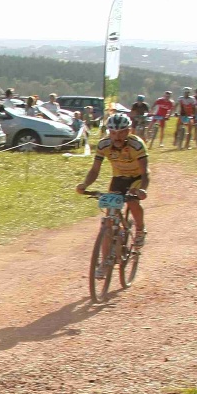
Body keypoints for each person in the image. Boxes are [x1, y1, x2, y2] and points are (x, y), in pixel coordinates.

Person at [76, 114, 150, 278]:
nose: (117, 137)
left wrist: (142, 190)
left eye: (121, 132)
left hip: (137, 178)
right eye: (113, 133)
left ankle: (140, 230)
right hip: (119, 179)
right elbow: (95, 170)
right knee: (109, 220)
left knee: (132, 202)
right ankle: (104, 262)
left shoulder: (137, 145)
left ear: (128, 131)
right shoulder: (104, 145)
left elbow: (145, 172)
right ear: (108, 132)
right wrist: (85, 185)